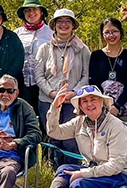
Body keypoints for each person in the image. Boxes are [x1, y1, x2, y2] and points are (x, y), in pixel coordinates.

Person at [35, 8, 90, 159]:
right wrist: (53, 94)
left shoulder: (82, 49)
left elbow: (86, 76)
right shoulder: (44, 48)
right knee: (52, 137)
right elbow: (39, 76)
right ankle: (53, 174)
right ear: (54, 25)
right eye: (60, 21)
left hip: (73, 101)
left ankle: (72, 172)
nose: (63, 25)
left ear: (73, 25)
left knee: (71, 139)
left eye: (68, 21)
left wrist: (75, 93)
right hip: (48, 100)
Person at [89, 18, 127, 122]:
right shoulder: (96, 56)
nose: (111, 35)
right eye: (107, 32)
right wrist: (106, 104)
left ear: (121, 33)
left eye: (115, 31)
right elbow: (94, 82)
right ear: (102, 35)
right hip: (101, 109)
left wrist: (117, 105)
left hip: (125, 109)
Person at [14, 0, 53, 117]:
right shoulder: (16, 34)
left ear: (41, 12)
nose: (31, 13)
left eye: (34, 9)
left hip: (45, 83)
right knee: (24, 117)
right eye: (27, 10)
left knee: (45, 117)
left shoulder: (51, 33)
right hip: (22, 83)